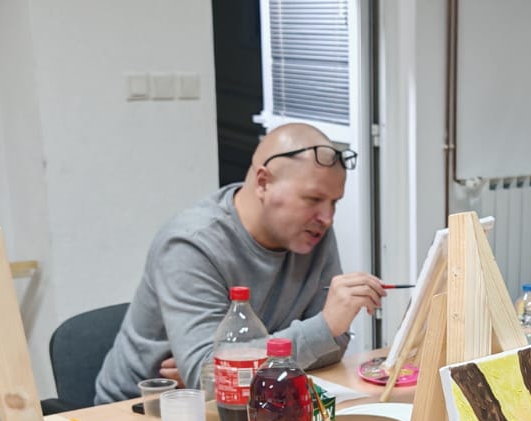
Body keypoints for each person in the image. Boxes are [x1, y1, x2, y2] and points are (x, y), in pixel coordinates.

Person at [93, 123, 383, 403]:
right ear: (263, 183)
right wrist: (322, 329)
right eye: (313, 199)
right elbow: (210, 380)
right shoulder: (191, 244)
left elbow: (328, 350)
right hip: (143, 411)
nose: (327, 217)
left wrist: (239, 366)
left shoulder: (313, 233)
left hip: (257, 402)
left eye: (334, 202)